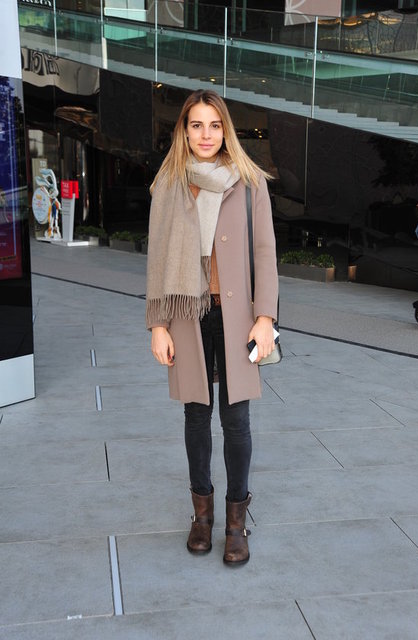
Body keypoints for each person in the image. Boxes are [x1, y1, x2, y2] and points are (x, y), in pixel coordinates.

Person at [146, 89, 278, 566]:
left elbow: (265, 252)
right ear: (184, 131)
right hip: (187, 314)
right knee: (196, 416)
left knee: (236, 420)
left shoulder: (250, 181)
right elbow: (157, 258)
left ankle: (236, 523)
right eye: (197, 125)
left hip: (237, 316)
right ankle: (201, 517)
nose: (206, 135)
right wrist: (158, 324)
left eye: (214, 125)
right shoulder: (169, 183)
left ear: (226, 130)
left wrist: (265, 318)